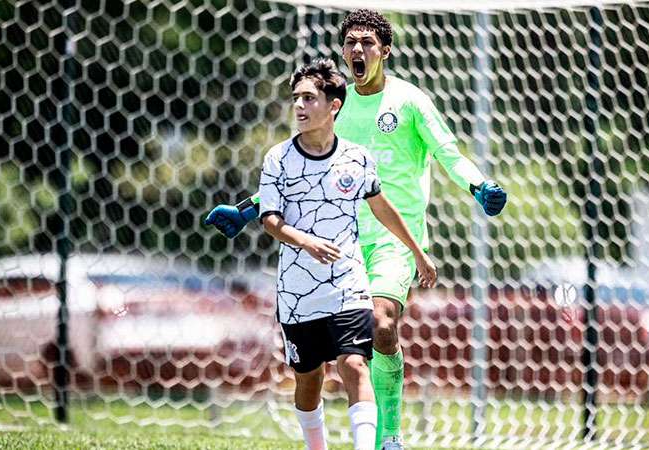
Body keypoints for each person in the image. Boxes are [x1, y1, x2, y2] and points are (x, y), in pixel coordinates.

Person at [204, 58, 436, 450]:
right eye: (296, 98)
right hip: (297, 290)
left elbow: (381, 206)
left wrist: (417, 252)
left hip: (347, 282)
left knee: (355, 364)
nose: (299, 106)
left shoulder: (357, 157)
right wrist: (306, 242)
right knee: (308, 379)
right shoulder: (278, 159)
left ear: (334, 106)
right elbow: (272, 221)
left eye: (309, 98)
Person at [335, 10, 508, 449]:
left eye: (368, 43)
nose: (359, 50)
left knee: (382, 325)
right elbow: (302, 161)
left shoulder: (409, 100)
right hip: (340, 241)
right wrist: (250, 209)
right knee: (335, 349)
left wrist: (478, 184)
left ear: (385, 50)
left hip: (397, 240)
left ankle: (388, 437)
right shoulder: (336, 104)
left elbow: (449, 153)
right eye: (351, 42)